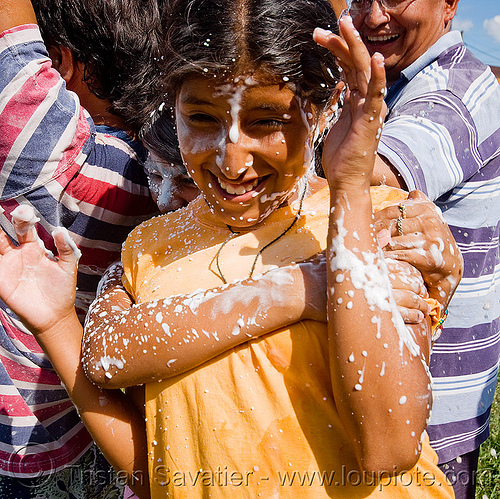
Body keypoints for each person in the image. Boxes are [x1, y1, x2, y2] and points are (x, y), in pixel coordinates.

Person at [316, 2, 500, 497]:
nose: (374, 17)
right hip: (389, 388)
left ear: (449, 5)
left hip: (433, 411)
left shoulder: (455, 92)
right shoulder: (392, 81)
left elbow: (372, 173)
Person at [0, 0, 162, 496]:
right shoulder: (172, 174)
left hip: (17, 442)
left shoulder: (55, 153)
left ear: (64, 62)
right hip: (88, 427)